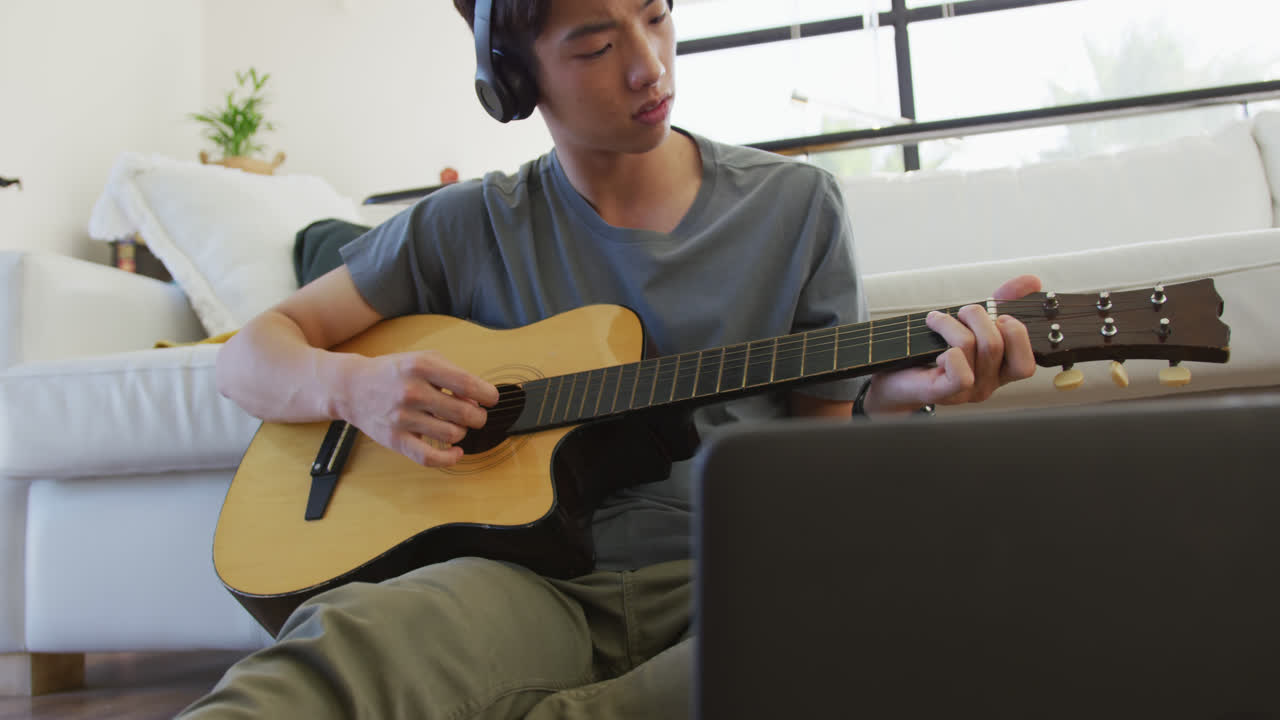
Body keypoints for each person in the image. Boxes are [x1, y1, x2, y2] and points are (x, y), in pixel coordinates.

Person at [178, 0, 1041, 717]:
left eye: (656, 17)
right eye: (596, 45)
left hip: (729, 579)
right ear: (516, 78)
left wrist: (898, 400)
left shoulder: (795, 207)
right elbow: (249, 357)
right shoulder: (465, 224)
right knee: (340, 649)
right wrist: (356, 387)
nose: (649, 66)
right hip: (517, 585)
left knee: (870, 636)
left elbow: (816, 458)